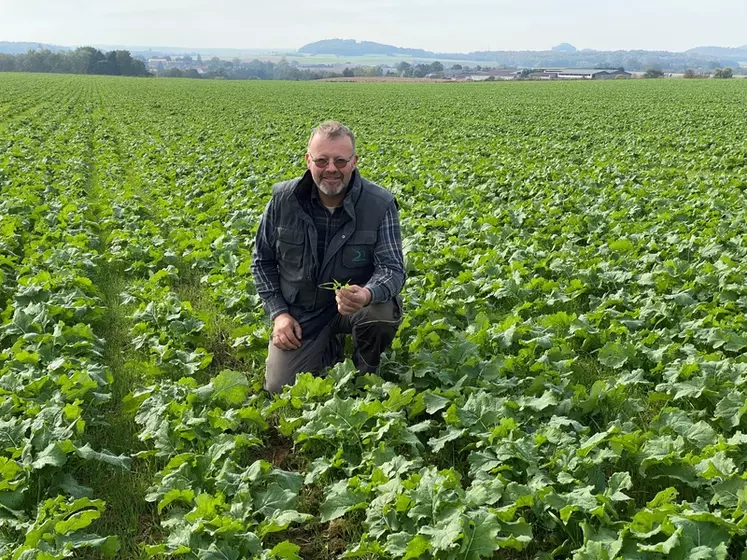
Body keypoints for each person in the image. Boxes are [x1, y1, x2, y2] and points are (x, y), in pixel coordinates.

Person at [251, 121, 405, 394]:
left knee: (380, 313)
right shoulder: (283, 201)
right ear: (308, 160)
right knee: (280, 389)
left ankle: (366, 372)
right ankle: (327, 346)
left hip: (355, 307)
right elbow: (262, 261)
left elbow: (392, 269)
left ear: (354, 161)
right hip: (302, 313)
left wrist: (366, 294)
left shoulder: (379, 204)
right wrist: (279, 314)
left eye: (340, 160)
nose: (331, 168)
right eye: (321, 160)